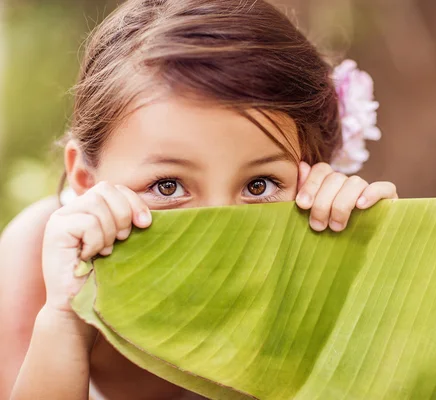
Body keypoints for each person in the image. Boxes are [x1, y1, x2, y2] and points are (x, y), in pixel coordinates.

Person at [0, 0, 397, 398]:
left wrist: (372, 266)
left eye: (258, 185)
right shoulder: (35, 259)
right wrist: (64, 318)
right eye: (168, 186)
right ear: (86, 179)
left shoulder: (305, 252)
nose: (219, 226)